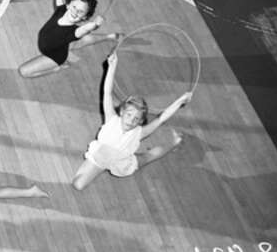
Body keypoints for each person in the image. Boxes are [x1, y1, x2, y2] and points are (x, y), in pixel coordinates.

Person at [72, 52, 192, 190]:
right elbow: (107, 92)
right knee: (77, 184)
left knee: (149, 156)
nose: (131, 121)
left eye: (136, 119)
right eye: (129, 115)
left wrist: (180, 101)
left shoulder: (139, 132)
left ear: (140, 121)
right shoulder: (111, 119)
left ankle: (174, 143)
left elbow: (161, 118)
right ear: (122, 112)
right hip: (101, 156)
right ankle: (105, 165)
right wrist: (112, 66)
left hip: (122, 161)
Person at [18, 0, 119, 78]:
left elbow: (84, 29)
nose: (75, 12)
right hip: (59, 44)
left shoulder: (73, 32)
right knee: (81, 42)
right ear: (68, 4)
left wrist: (95, 25)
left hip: (54, 56)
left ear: (84, 17)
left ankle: (56, 68)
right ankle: (110, 36)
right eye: (75, 7)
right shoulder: (61, 8)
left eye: (81, 12)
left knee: (23, 72)